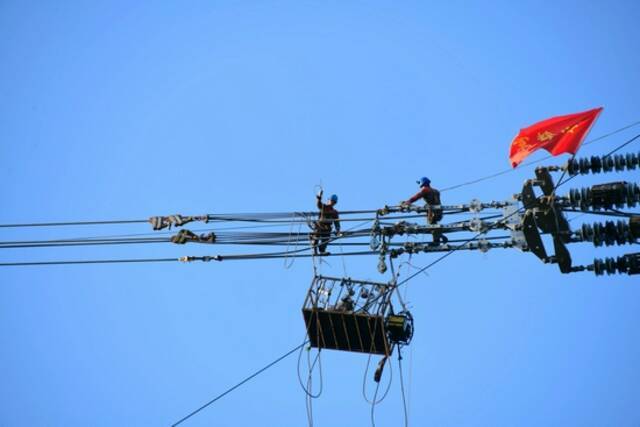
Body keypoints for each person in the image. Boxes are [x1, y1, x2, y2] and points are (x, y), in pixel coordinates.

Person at [401, 177, 448, 245]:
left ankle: (436, 241)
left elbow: (416, 197)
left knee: (431, 226)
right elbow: (434, 201)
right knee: (434, 225)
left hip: (432, 212)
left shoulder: (425, 190)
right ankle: (439, 236)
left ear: (422, 183)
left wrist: (408, 202)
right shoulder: (436, 191)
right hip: (440, 211)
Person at [312, 190, 341, 255]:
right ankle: (315, 250)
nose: (332, 202)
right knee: (316, 236)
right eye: (331, 200)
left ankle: (322, 250)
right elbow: (319, 205)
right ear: (328, 200)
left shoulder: (335, 212)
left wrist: (338, 230)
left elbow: (337, 222)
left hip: (327, 228)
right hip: (320, 225)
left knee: (326, 239)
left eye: (333, 202)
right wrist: (319, 198)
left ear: (335, 203)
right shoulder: (324, 207)